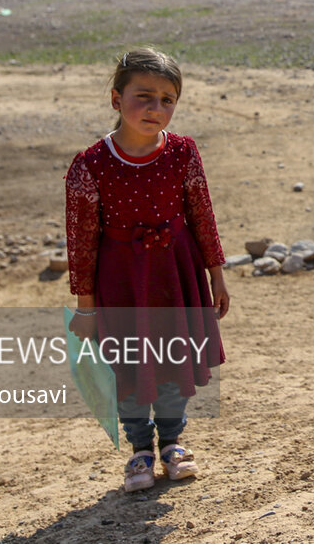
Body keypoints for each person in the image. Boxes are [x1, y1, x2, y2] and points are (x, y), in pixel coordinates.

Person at [65, 46, 230, 492]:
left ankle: (173, 444)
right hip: (119, 281)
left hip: (175, 273)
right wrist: (85, 307)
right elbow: (81, 243)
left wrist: (215, 272)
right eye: (144, 96)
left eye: (167, 100)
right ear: (116, 99)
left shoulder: (183, 152)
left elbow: (201, 214)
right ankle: (139, 451)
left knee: (173, 358)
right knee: (130, 366)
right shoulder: (90, 165)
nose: (156, 109)